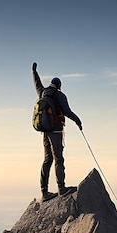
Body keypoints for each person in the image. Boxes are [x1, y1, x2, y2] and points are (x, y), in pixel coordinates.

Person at [32, 62, 82, 202]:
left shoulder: (43, 92)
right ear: (59, 85)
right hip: (56, 131)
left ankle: (45, 192)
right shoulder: (59, 95)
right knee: (58, 158)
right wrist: (78, 121)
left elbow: (37, 83)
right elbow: (67, 111)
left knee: (47, 160)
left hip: (45, 131)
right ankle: (62, 189)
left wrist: (34, 72)